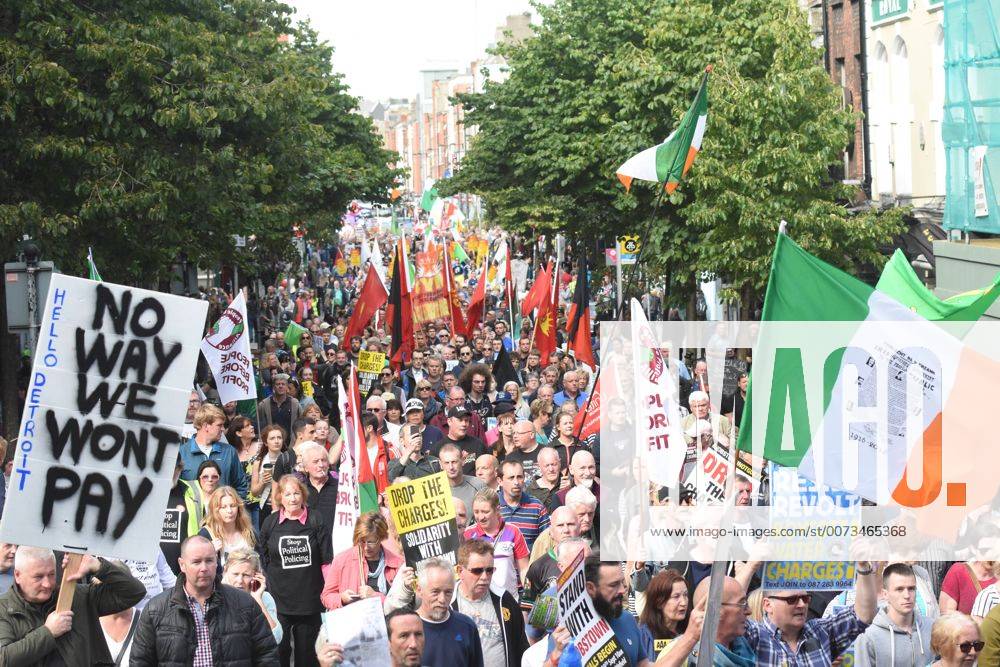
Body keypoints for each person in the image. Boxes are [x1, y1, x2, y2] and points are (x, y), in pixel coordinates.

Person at [132, 536, 279, 665]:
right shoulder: (155, 610)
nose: (204, 568)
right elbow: (141, 660)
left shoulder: (245, 604)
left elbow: (266, 655)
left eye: (209, 560)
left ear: (217, 562)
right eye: (196, 562)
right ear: (182, 564)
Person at [0, 548, 145, 666]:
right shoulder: (4, 608)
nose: (48, 584)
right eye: (38, 577)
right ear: (17, 575)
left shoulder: (77, 596)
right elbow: (3, 659)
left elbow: (134, 592)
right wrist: (48, 632)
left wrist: (97, 566)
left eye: (51, 574)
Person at [745, 561, 881, 665]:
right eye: (792, 600)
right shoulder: (753, 636)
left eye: (805, 598)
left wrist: (863, 568)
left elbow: (864, 615)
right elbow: (726, 615)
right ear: (768, 605)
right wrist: (749, 567)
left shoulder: (820, 632)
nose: (802, 604)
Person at [260, 475, 332, 666]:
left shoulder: (316, 519)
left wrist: (329, 592)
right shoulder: (270, 522)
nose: (293, 499)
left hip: (309, 600)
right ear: (280, 498)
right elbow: (263, 555)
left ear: (303, 495)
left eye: (296, 493)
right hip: (279, 600)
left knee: (307, 656)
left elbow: (326, 559)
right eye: (287, 494)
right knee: (280, 652)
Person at [545, 558, 653, 666]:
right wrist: (557, 654)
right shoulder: (566, 634)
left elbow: (642, 663)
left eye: (622, 582)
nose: (622, 590)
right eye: (613, 585)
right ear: (591, 588)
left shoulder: (628, 619)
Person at [454, 539, 528, 667]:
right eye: (477, 571)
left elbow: (521, 646)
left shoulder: (505, 600)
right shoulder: (448, 604)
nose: (484, 577)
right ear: (460, 571)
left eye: (489, 570)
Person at [855, 562, 934, 666]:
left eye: (911, 589)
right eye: (899, 589)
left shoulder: (932, 627)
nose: (907, 595)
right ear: (885, 594)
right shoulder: (868, 637)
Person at [321, 511, 403, 609]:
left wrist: (376, 597)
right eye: (362, 541)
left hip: (386, 622)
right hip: (353, 622)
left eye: (371, 542)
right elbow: (326, 596)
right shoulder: (341, 560)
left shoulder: (397, 564)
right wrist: (341, 599)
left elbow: (402, 604)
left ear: (381, 538)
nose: (366, 547)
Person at [416, 558, 484, 667]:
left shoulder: (467, 626)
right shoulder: (406, 629)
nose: (442, 599)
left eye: (448, 592)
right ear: (419, 590)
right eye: (435, 592)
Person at [464, 488, 530, 600]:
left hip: (509, 600)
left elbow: (524, 570)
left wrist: (528, 599)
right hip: (480, 602)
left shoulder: (513, 531)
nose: (480, 517)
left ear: (497, 510)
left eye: (485, 512)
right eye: (476, 512)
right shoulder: (468, 534)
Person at [181, 404, 248, 498]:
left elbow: (241, 487)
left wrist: (231, 506)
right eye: (219, 425)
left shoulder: (229, 452)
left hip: (223, 511)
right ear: (206, 426)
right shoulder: (181, 453)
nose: (223, 429)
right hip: (193, 512)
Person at [222, 547, 283, 645]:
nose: (240, 580)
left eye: (246, 575)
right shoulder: (217, 596)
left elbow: (276, 638)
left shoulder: (265, 598)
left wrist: (258, 600)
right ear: (225, 572)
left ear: (257, 576)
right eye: (235, 574)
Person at [161, 453, 204, 575]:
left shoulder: (193, 491)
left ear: (179, 468)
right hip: (153, 573)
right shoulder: (146, 490)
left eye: (172, 469)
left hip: (185, 569)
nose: (168, 474)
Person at [198, 485, 258, 566]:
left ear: (239, 507)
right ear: (215, 510)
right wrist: (211, 554)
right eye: (223, 507)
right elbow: (199, 567)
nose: (229, 511)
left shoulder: (249, 532)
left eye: (233, 506)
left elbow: (261, 564)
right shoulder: (206, 534)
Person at [497, 460, 550, 551]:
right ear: (500, 481)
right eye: (511, 478)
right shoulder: (492, 506)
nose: (516, 482)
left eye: (519, 477)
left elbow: (547, 542)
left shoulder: (537, 507)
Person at [638, 569, 690, 657]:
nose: (684, 602)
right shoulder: (643, 636)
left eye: (685, 595)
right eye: (676, 596)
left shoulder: (691, 631)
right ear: (659, 603)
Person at [431, 406, 487, 475]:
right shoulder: (438, 448)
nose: (464, 424)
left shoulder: (478, 444)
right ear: (449, 421)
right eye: (460, 420)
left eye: (466, 420)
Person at [295, 442, 339, 528]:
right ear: (306, 468)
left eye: (324, 460)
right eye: (315, 462)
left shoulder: (340, 488)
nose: (321, 465)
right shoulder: (300, 490)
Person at [251, 424, 288, 526]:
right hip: (266, 506)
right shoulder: (258, 462)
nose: (276, 441)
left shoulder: (288, 459)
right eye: (272, 438)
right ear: (265, 442)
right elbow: (254, 492)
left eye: (279, 438)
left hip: (285, 506)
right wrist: (262, 482)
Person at [440, 443, 485, 510]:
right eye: (446, 463)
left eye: (454, 462)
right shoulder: (434, 489)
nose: (451, 467)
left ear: (463, 461)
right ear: (440, 464)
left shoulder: (478, 485)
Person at [506, 419, 543, 485]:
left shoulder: (546, 452)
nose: (515, 436)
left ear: (531, 435)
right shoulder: (510, 458)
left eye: (519, 433)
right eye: (513, 433)